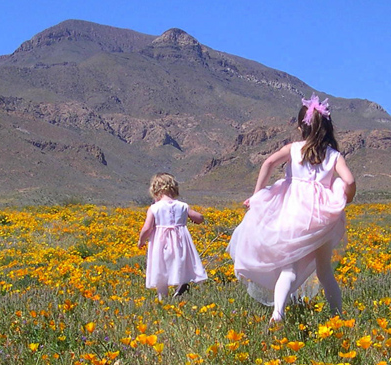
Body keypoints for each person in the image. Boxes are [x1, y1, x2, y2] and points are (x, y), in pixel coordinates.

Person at [227, 94, 356, 325]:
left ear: (300, 127)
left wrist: (258, 194)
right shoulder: (334, 155)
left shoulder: (293, 149)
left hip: (293, 216)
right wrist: (347, 198)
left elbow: (268, 163)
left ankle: (278, 314)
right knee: (325, 272)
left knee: (290, 269)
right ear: (327, 127)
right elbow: (349, 180)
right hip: (323, 221)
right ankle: (338, 318)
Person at [138, 172, 208, 300]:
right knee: (180, 263)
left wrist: (141, 240)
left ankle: (162, 298)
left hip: (160, 243)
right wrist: (194, 219)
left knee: (161, 268)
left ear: (155, 189)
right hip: (180, 241)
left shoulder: (154, 208)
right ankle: (181, 285)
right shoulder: (182, 206)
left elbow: (147, 228)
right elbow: (199, 218)